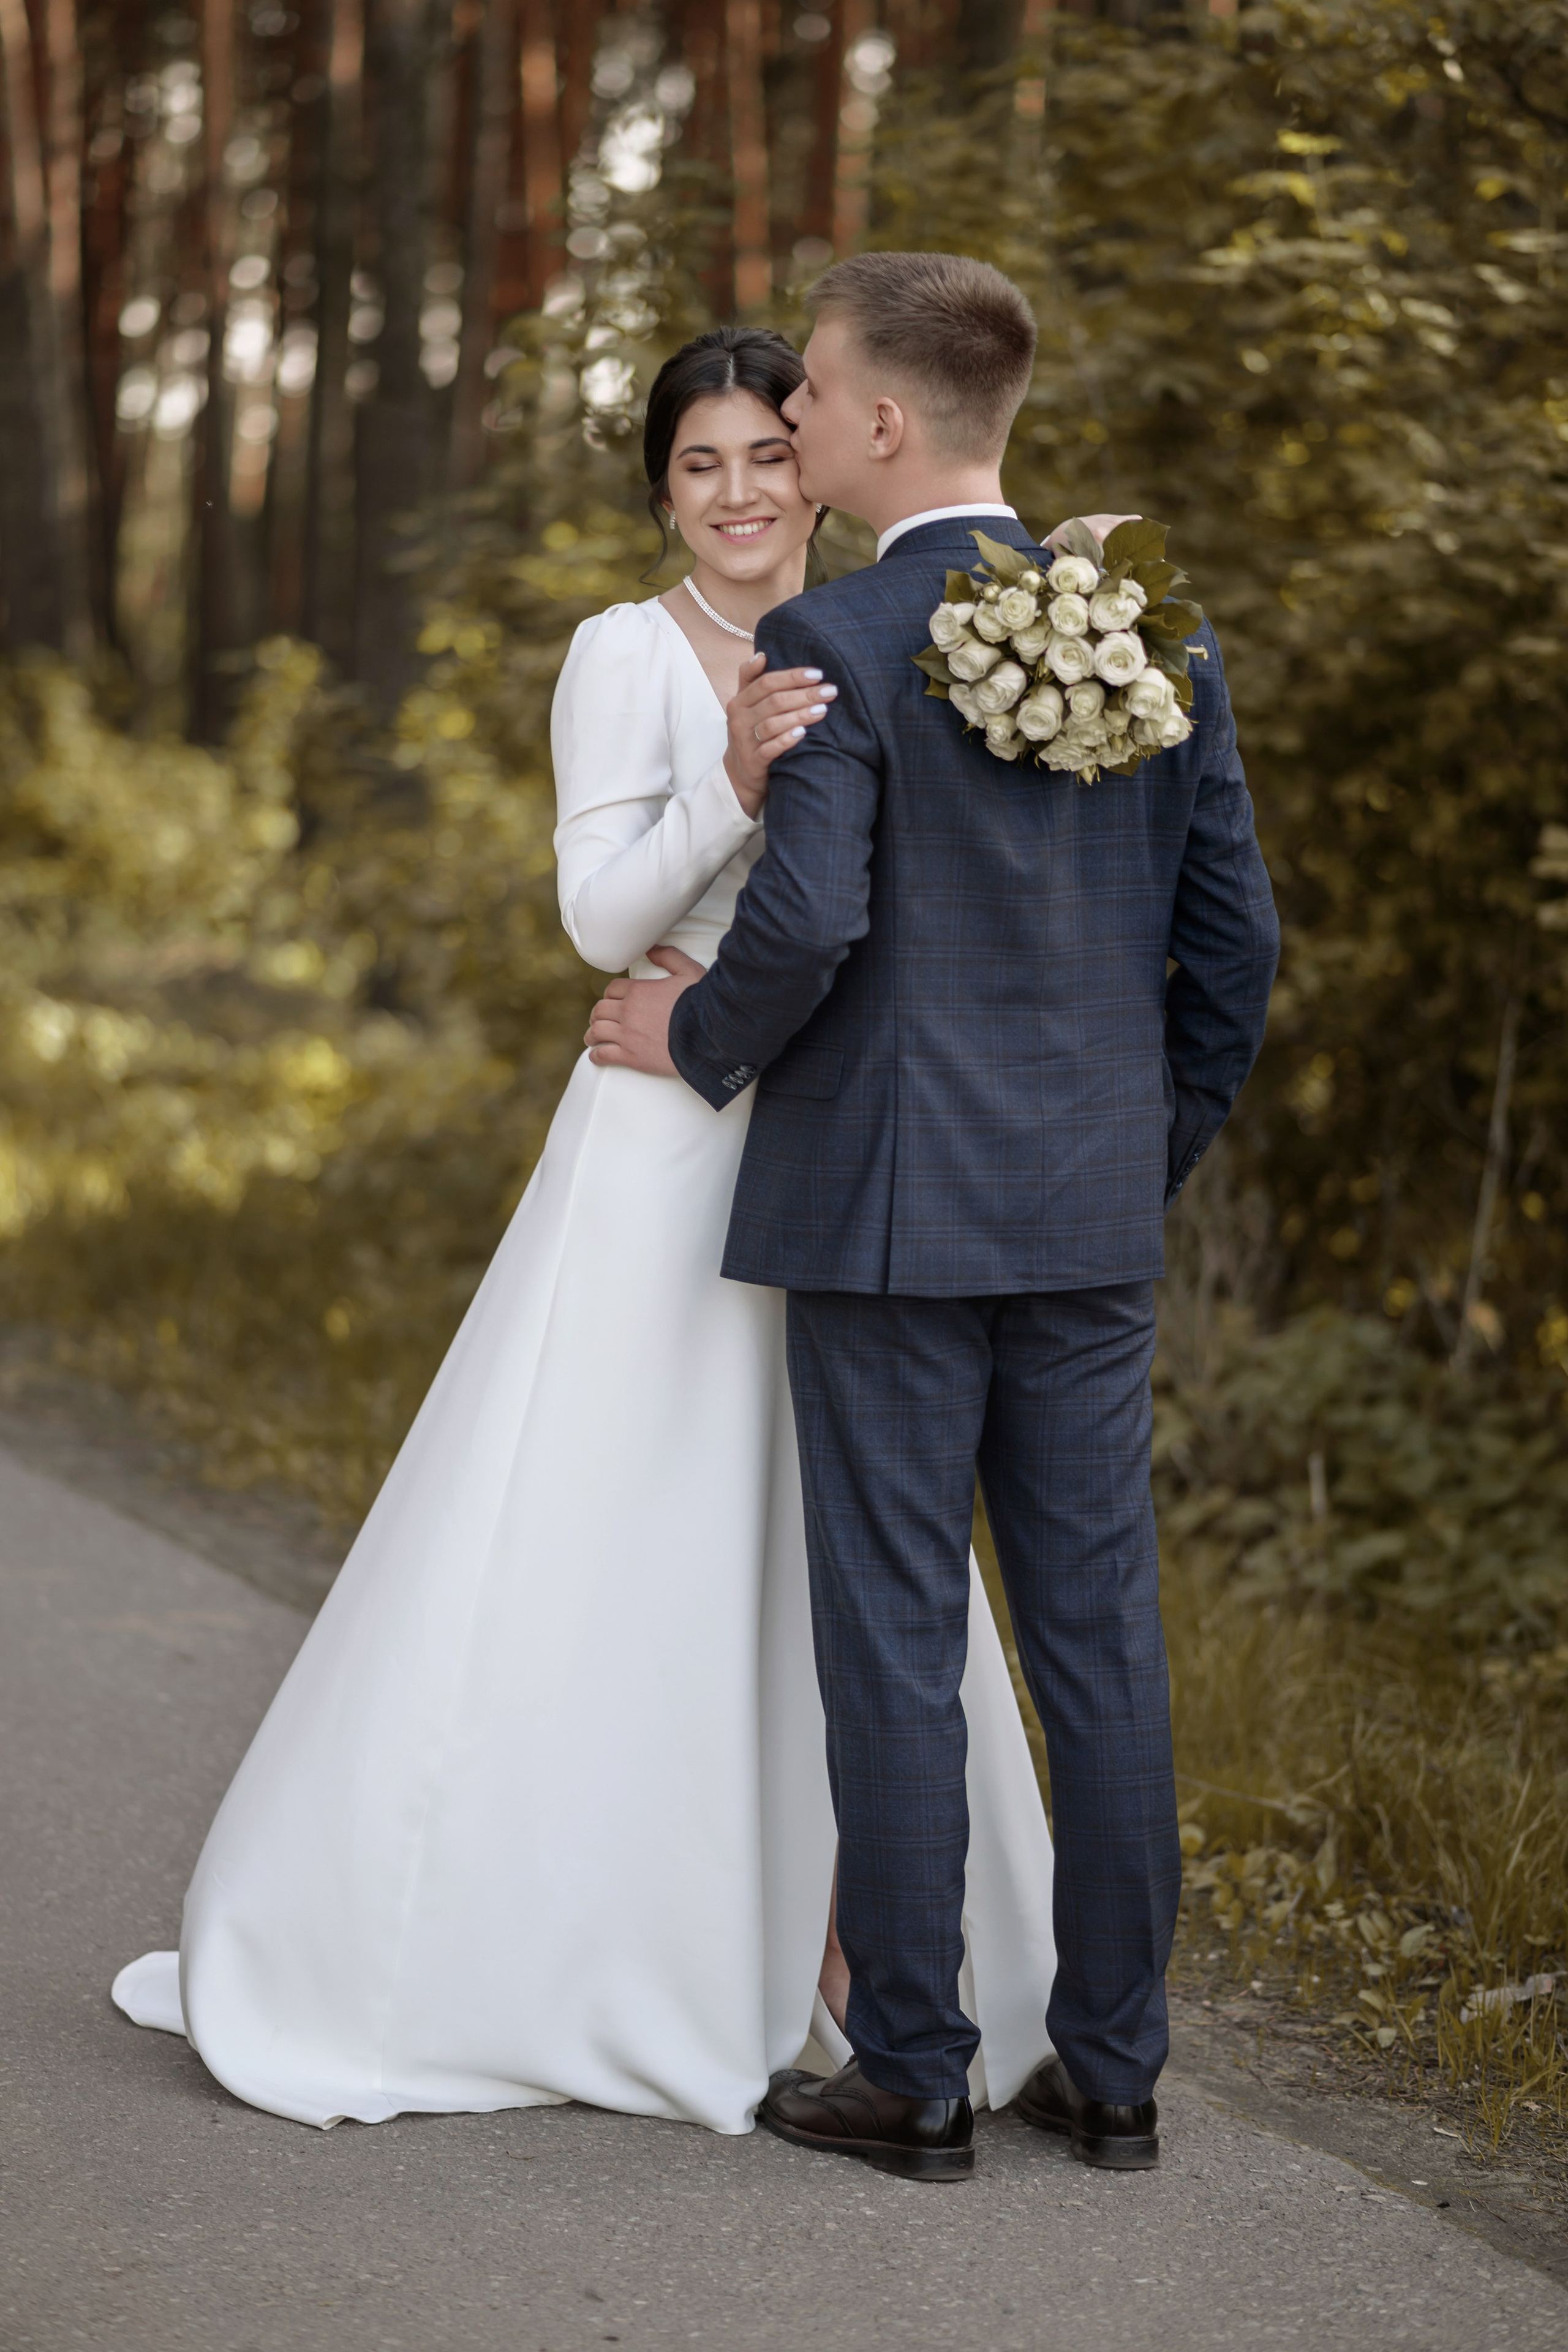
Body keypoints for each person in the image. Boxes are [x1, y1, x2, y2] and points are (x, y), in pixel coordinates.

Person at [110, 325, 1058, 2138]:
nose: (739, 495)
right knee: (639, 1527)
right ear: (660, 491)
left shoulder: (885, 628)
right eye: (697, 467)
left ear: (817, 461)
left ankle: (875, 1956)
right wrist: (730, 773)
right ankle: (611, 1940)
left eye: (766, 458)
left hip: (849, 1134)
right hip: (660, 1141)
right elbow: (590, 913)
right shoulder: (625, 653)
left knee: (844, 1544)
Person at [585, 255, 1281, 2178]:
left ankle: (910, 2070)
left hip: (887, 1215)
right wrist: (1141, 1149)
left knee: (893, 1634)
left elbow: (806, 922)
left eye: (807, 394)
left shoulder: (841, 629)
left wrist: (691, 1035)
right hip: (1085, 1216)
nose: (790, 427)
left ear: (886, 424)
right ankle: (1118, 2072)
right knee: (1099, 1643)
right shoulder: (1153, 634)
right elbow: (1238, 946)